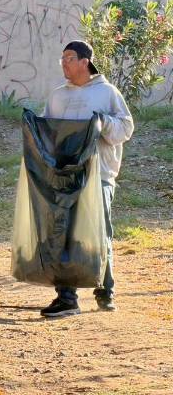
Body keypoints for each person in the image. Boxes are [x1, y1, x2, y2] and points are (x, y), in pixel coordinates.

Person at [39, 40, 134, 317]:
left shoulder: (107, 93)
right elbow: (47, 132)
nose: (64, 63)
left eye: (69, 58)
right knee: (63, 235)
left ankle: (105, 291)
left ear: (85, 61)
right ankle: (67, 297)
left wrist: (103, 123)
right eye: (62, 59)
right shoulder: (57, 96)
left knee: (98, 232)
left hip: (99, 174)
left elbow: (126, 127)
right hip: (65, 177)